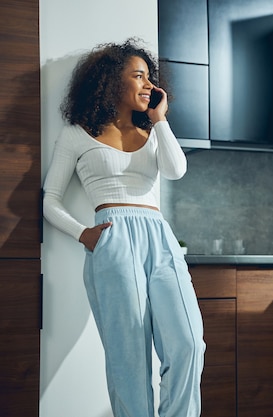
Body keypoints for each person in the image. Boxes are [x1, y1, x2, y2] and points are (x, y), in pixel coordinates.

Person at [43, 38, 205, 417]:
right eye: (139, 76)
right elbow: (50, 199)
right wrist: (83, 233)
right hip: (112, 238)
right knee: (128, 356)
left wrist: (160, 118)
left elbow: (177, 170)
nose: (148, 85)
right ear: (112, 82)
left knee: (188, 344)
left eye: (150, 78)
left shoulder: (152, 132)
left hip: (159, 238)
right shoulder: (76, 135)